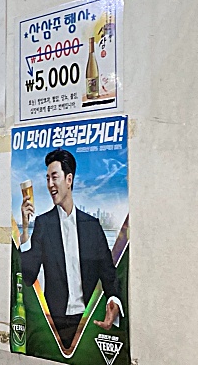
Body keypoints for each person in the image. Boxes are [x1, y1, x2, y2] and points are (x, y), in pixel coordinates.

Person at [19, 148, 122, 350]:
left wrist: (113, 299)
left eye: (54, 177)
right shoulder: (43, 224)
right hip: (53, 321)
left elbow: (108, 272)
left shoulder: (92, 225)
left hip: (88, 320)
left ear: (69, 179)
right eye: (47, 178)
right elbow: (28, 276)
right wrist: (24, 230)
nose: (50, 184)